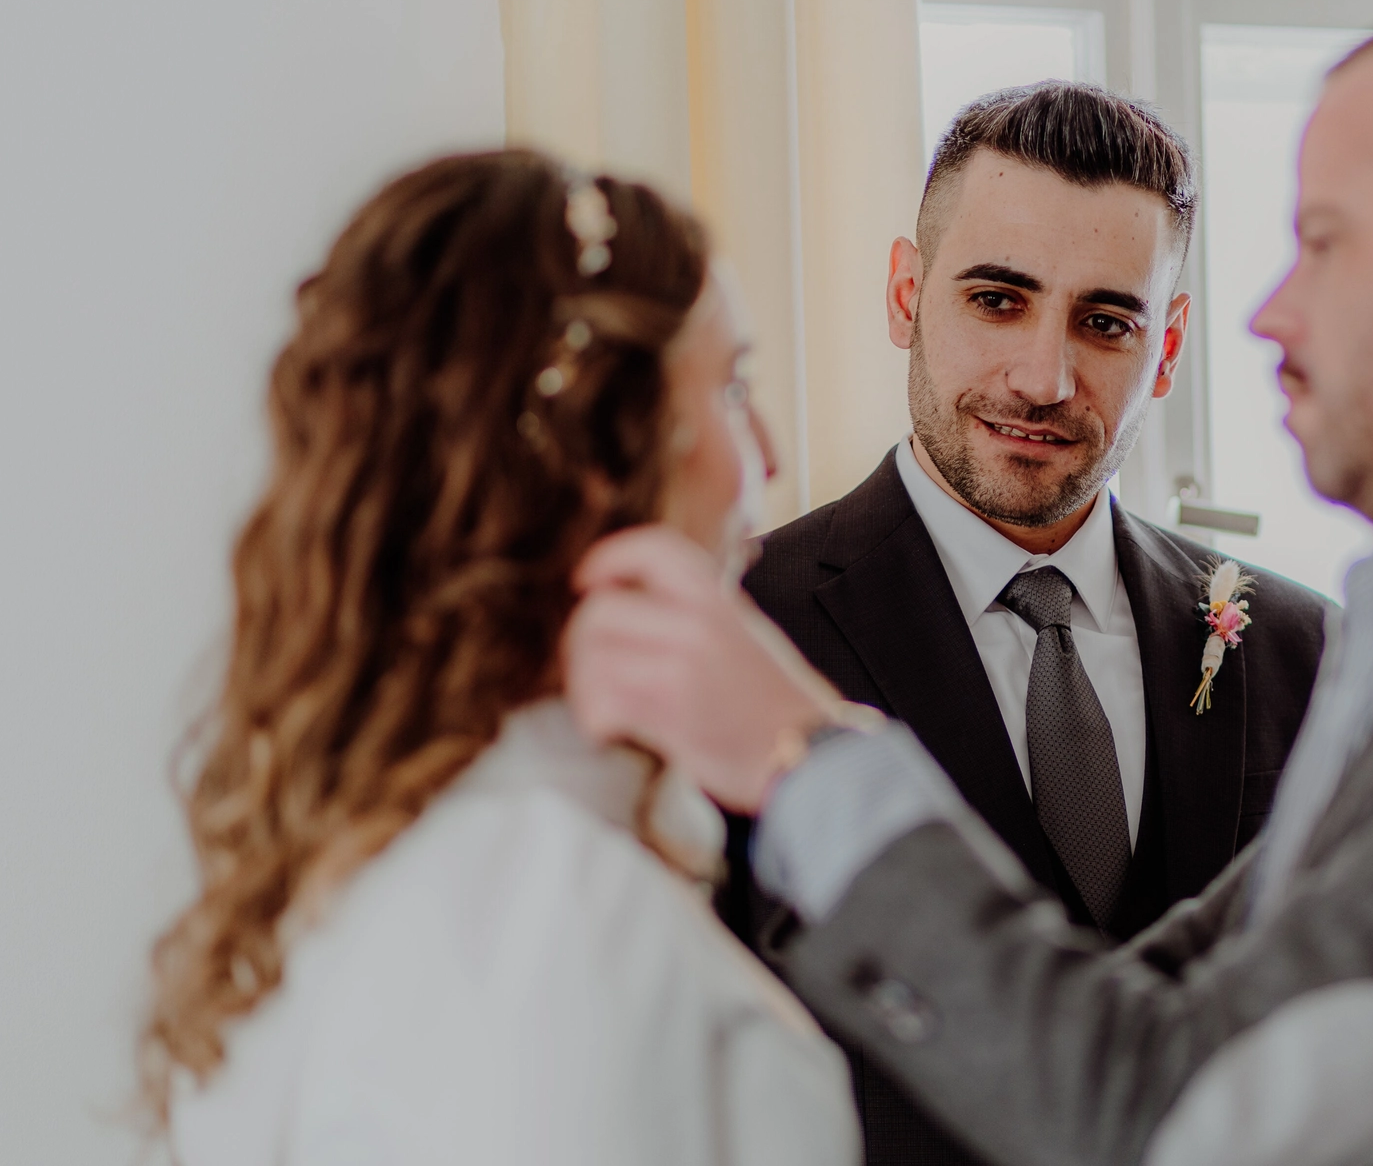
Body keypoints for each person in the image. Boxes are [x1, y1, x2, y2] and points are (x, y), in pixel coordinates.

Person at [567, 0, 1373, 1165]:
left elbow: (1171, 1111)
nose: (1273, 312)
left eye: (1323, 239)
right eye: (997, 298)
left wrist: (802, 759)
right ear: (909, 292)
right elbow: (1140, 1013)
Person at [142, 151, 859, 1165]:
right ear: (601, 458)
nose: (771, 457)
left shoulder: (387, 847)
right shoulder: (543, 907)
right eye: (732, 385)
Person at [729, 81, 1329, 1164]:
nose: (1044, 378)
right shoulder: (747, 628)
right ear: (906, 293)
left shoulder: (1302, 649)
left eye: (1104, 322)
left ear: (1169, 342)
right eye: (996, 300)